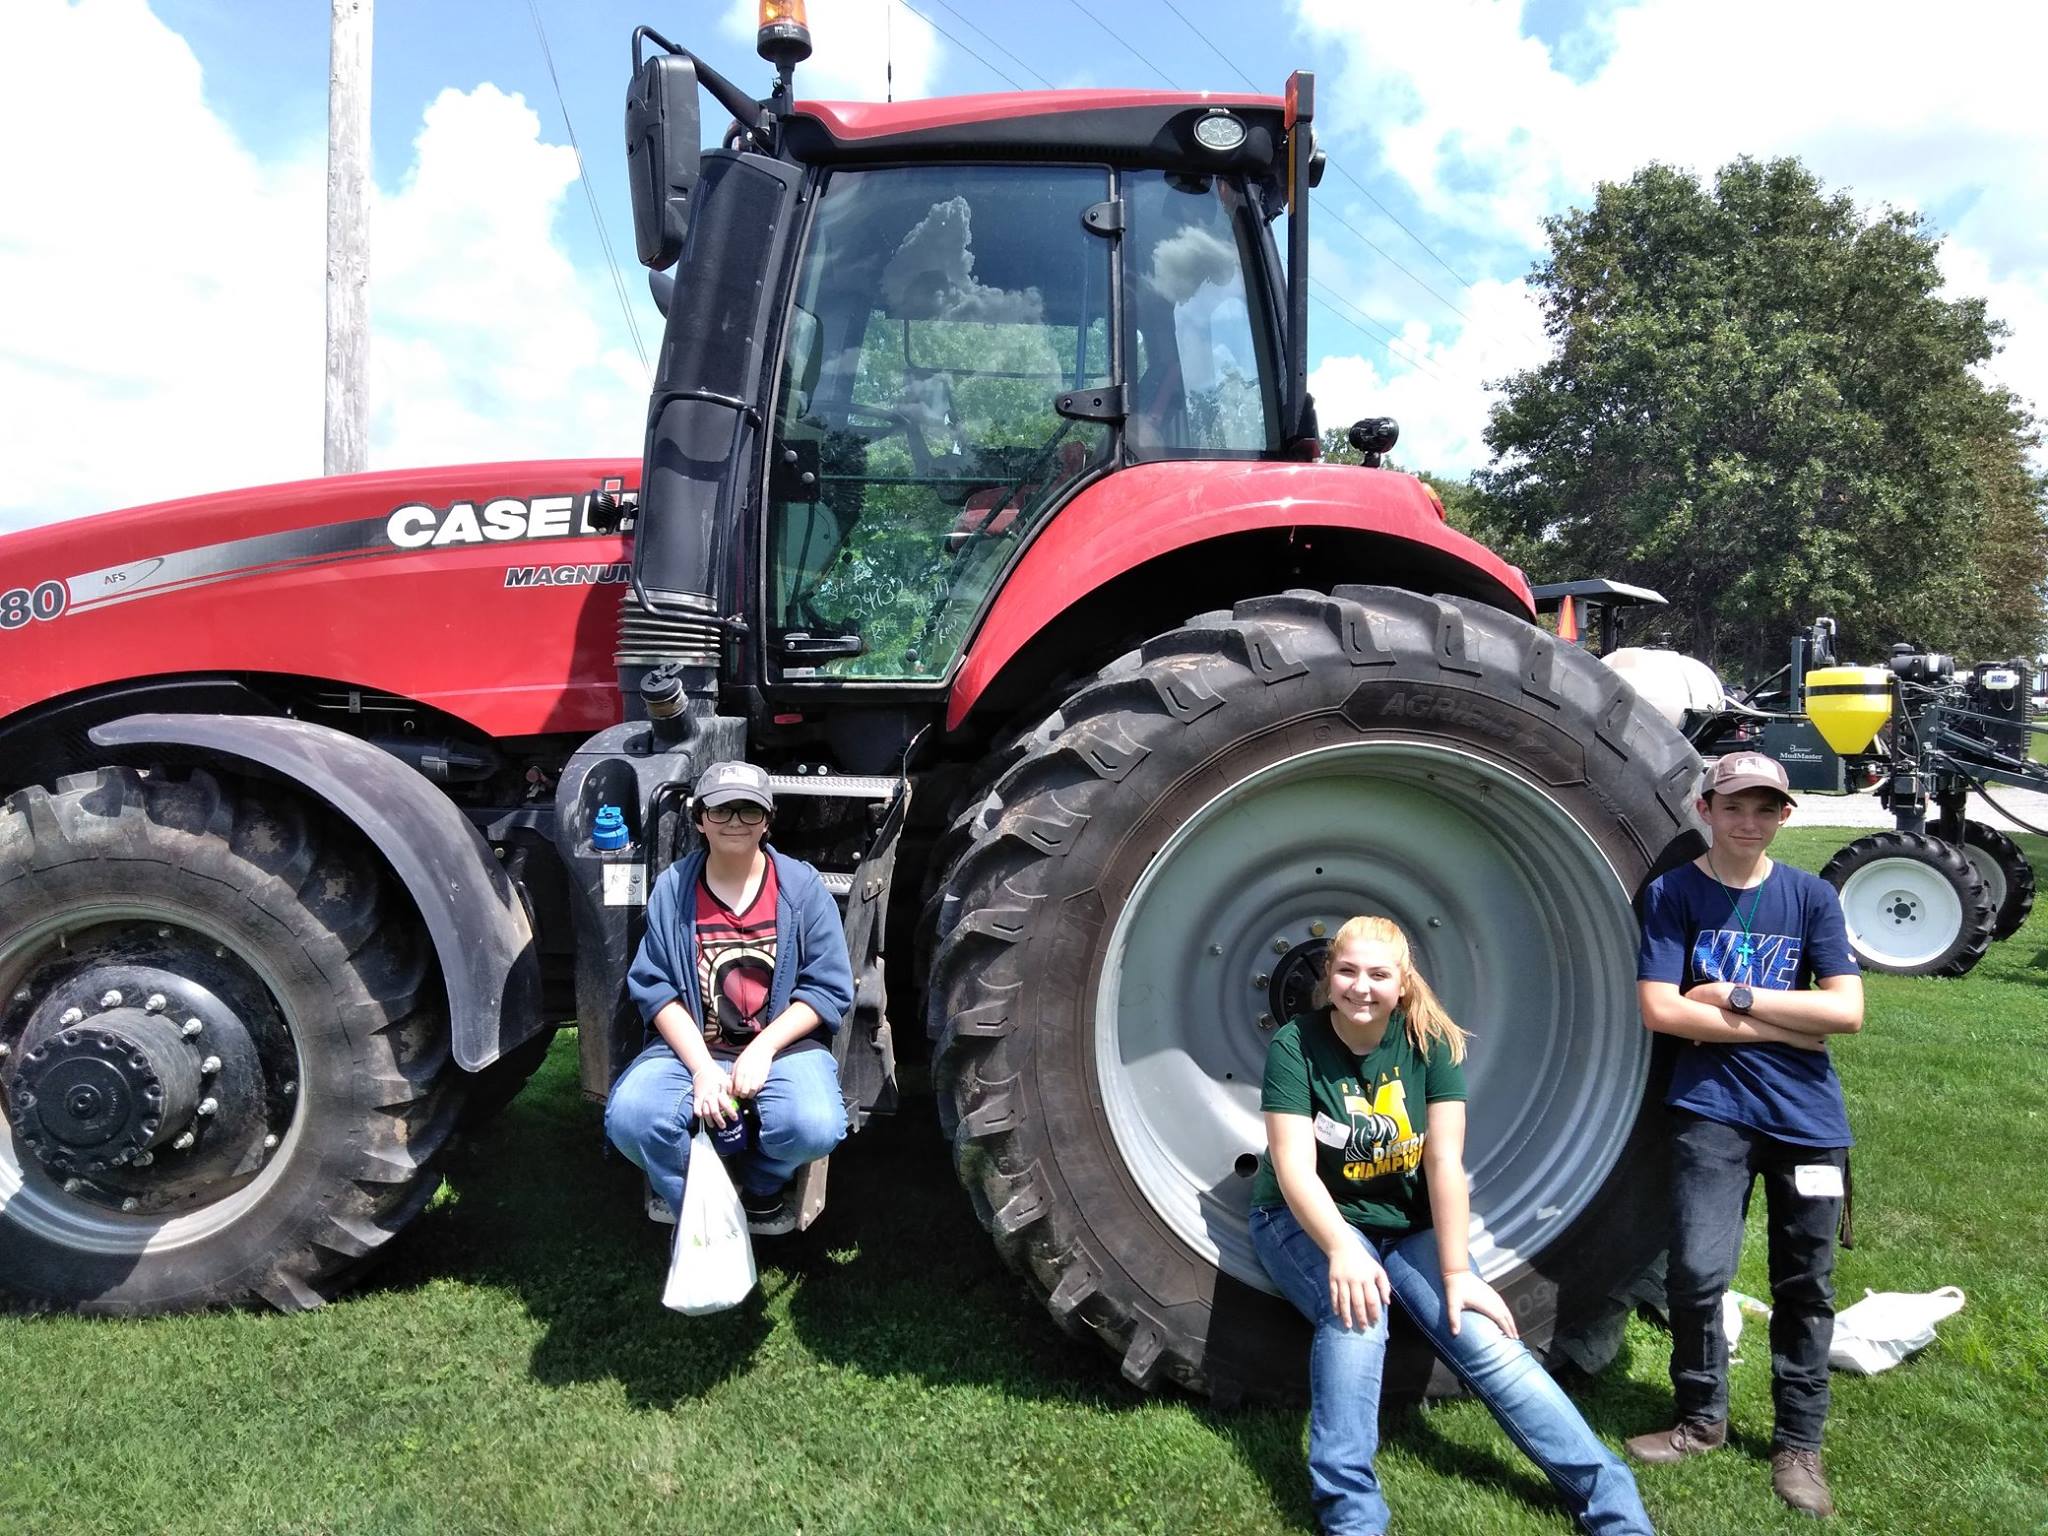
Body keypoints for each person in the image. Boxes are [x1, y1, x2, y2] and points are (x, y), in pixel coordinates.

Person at [1250, 915, 1654, 1536]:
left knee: (1486, 1338)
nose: (1362, 987)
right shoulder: (1295, 1046)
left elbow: (1443, 1161)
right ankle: (1351, 1516)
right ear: (1329, 976)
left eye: (1379, 974)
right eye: (1348, 971)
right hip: (1306, 1217)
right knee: (1358, 1314)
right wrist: (1342, 1251)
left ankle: (1614, 1508)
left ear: (1404, 982)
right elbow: (1294, 1167)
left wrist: (1457, 1271)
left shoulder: (1429, 1045)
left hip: (1404, 1221)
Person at [1627, 751, 1864, 1518]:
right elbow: (1662, 1009)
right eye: (1734, 807)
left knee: (1807, 1284)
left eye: (1766, 809)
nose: (1749, 822)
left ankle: (1800, 1443)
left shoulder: (1811, 898)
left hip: (1808, 1120)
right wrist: (1786, 1026)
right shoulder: (1673, 894)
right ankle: (1701, 1419)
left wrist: (1734, 997)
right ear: (1705, 810)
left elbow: (1846, 1012)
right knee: (1697, 1272)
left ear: (1785, 815)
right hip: (1712, 1110)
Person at [604, 760, 853, 1236]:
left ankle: (761, 1186)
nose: (735, 822)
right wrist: (701, 1069)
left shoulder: (802, 888)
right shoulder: (673, 889)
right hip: (695, 1047)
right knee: (632, 1119)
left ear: (767, 819)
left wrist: (763, 1049)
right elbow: (656, 989)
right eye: (721, 811)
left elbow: (826, 987)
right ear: (699, 819)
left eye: (748, 811)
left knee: (814, 1124)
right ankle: (700, 1197)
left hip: (781, 1048)